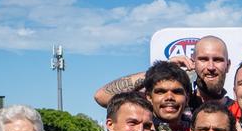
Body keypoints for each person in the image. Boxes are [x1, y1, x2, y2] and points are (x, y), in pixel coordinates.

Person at [94, 35, 234, 113]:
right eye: (203, 59)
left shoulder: (240, 110)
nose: (210, 67)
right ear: (193, 63)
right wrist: (160, 72)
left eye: (217, 60)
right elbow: (102, 96)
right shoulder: (172, 102)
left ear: (228, 65)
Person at [137, 61, 196, 131]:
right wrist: (157, 72)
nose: (169, 97)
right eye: (161, 92)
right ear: (149, 97)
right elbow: (100, 96)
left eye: (176, 92)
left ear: (187, 98)